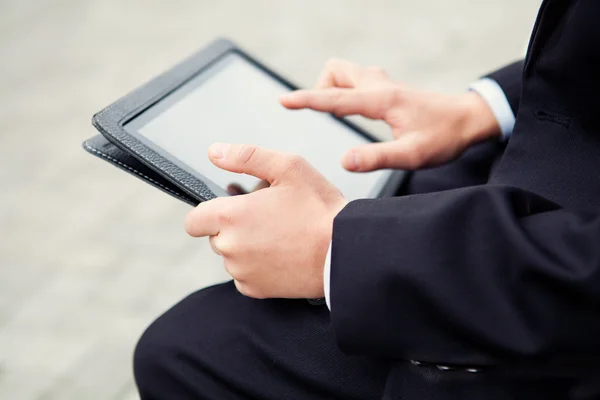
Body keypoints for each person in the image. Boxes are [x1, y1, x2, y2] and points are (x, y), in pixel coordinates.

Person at [133, 0, 600, 398]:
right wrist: (483, 108)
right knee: (390, 176)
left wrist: (335, 253)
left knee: (186, 349)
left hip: (554, 303)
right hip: (545, 170)